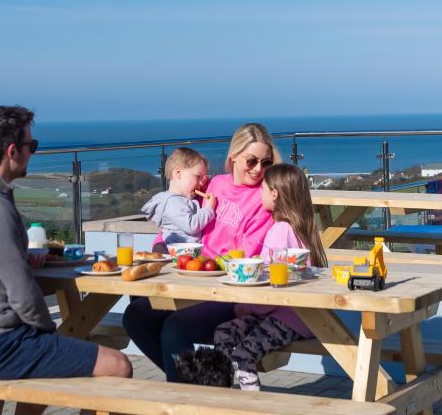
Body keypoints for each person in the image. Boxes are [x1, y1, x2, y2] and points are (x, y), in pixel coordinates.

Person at [0, 105, 131, 410]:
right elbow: (22, 295)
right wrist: (52, 335)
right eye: (32, 146)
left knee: (60, 360)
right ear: (12, 151)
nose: (34, 152)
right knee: (119, 365)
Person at [122, 122, 281, 381]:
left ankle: (189, 395)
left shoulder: (262, 199)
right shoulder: (215, 184)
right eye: (251, 161)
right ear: (234, 157)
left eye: (266, 163)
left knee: (175, 327)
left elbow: (249, 255)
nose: (258, 170)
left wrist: (212, 264)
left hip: (226, 289)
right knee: (135, 316)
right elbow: (180, 219)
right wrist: (162, 245)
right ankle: (197, 388)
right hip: (190, 278)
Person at [211, 164, 328, 390]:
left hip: (291, 317)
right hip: (294, 314)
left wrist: (246, 307)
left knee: (242, 355)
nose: (260, 192)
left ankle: (252, 402)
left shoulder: (280, 231)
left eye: (263, 188)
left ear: (274, 194)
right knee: (224, 333)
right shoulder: (302, 228)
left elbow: (271, 282)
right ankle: (221, 392)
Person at [141, 147, 215, 247]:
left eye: (203, 179)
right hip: (177, 254)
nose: (201, 183)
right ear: (178, 173)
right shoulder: (173, 202)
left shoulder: (181, 200)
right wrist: (209, 209)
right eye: (198, 176)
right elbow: (192, 226)